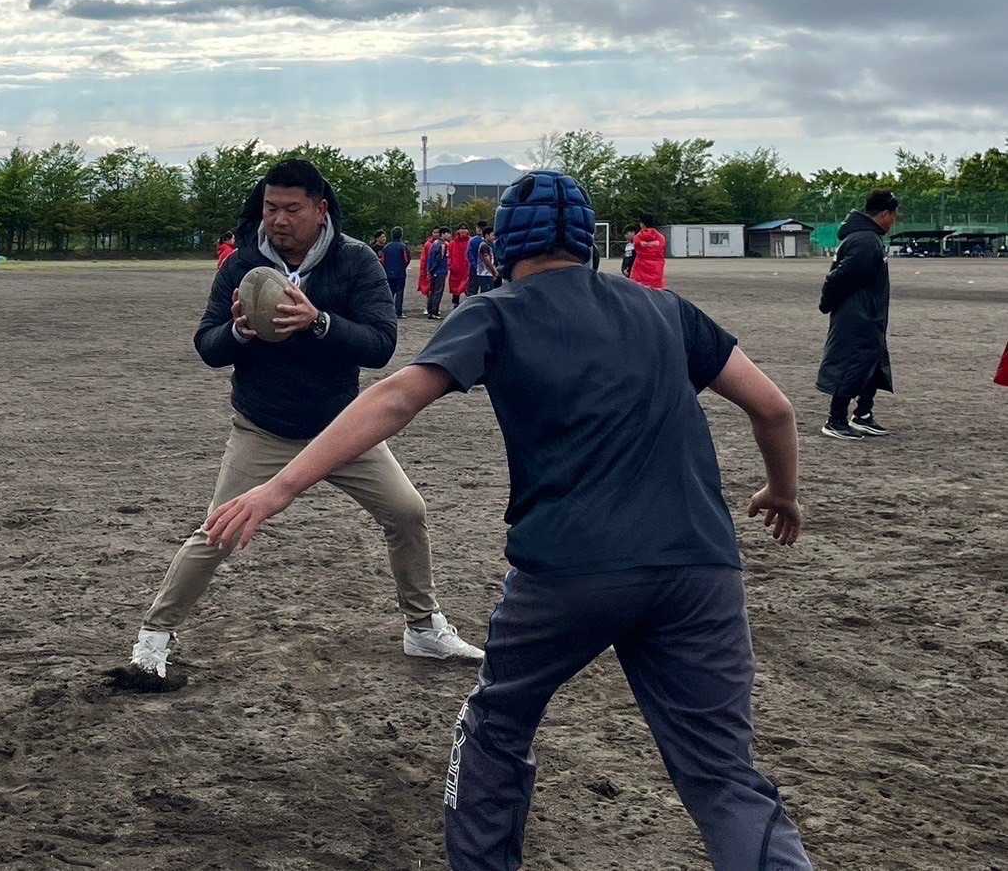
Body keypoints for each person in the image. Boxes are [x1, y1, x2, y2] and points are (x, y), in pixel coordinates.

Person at [203, 170, 812, 871]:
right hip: (701, 568)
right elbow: (773, 407)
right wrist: (783, 492)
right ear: (586, 241)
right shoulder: (665, 310)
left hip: (568, 570)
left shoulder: (497, 312)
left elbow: (394, 399)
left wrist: (279, 487)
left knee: (496, 728)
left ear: (500, 246)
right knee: (724, 775)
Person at [124, 159, 483, 682]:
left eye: (292, 209)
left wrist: (320, 323)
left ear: (321, 210)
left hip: (342, 429)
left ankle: (423, 628)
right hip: (262, 427)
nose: (278, 219)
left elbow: (381, 344)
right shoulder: (242, 264)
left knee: (407, 512)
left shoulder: (355, 261)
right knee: (219, 530)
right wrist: (238, 333)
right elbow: (207, 345)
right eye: (271, 207)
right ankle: (153, 639)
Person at [817, 190, 899, 441]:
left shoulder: (868, 238)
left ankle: (863, 414)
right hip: (858, 317)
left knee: (871, 363)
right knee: (852, 363)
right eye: (894, 216)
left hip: (868, 315)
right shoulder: (866, 240)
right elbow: (841, 277)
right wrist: (826, 303)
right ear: (884, 214)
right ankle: (835, 419)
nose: (894, 221)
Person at [381, 227, 412, 318]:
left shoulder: (386, 247)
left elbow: (383, 260)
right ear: (401, 235)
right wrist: (402, 267)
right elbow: (406, 259)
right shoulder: (402, 246)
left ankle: (388, 311)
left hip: (388, 272)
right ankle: (398, 312)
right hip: (400, 273)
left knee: (390, 292)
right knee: (399, 292)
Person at [631, 214, 667, 289]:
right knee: (656, 289)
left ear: (642, 224)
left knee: (640, 288)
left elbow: (636, 248)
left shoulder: (638, 237)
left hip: (641, 266)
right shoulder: (660, 237)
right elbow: (662, 248)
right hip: (656, 267)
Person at [425, 227, 451, 319]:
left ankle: (430, 310)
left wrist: (430, 270)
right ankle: (434, 311)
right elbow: (440, 259)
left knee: (432, 291)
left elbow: (430, 258)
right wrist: (434, 269)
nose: (449, 235)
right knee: (438, 292)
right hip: (439, 271)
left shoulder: (434, 243)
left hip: (434, 271)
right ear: (443, 234)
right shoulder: (442, 245)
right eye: (448, 233)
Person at [448, 224, 472, 307]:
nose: (463, 230)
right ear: (457, 230)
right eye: (461, 229)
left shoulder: (471, 241)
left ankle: (467, 305)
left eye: (465, 229)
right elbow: (449, 255)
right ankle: (455, 304)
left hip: (468, 268)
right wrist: (451, 266)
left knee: (468, 287)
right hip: (456, 269)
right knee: (455, 288)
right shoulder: (453, 243)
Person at [417, 227, 438, 314]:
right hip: (429, 270)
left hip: (438, 270)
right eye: (434, 232)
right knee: (429, 289)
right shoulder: (428, 244)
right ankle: (429, 307)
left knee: (436, 290)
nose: (436, 234)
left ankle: (435, 307)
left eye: (438, 232)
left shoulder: (442, 244)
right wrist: (424, 270)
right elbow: (424, 259)